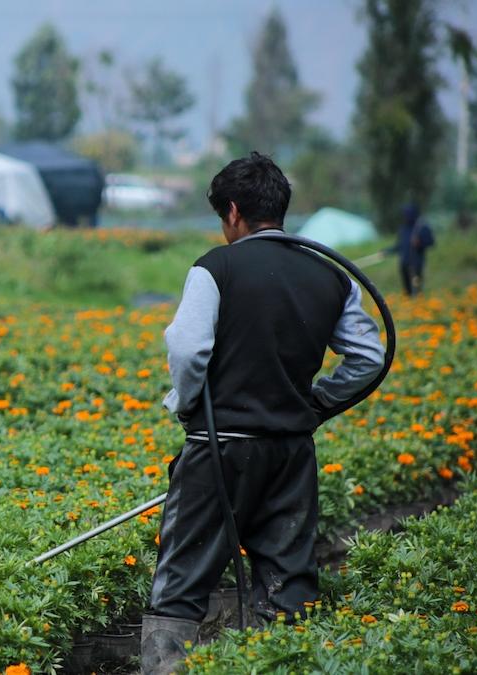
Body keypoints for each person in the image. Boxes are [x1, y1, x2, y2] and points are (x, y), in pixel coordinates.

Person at [141, 153, 386, 675]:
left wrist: (187, 406)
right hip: (291, 453)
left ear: (232, 212)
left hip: (219, 449)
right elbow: (369, 358)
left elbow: (187, 351)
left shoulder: (216, 267)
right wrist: (316, 403)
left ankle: (165, 667)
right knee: (288, 583)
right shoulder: (330, 274)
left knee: (182, 579)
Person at [394, 203, 435, 296]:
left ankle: (417, 305)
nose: (405, 216)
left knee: (416, 288)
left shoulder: (421, 227)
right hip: (404, 264)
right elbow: (399, 245)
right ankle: (408, 306)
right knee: (406, 290)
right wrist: (386, 251)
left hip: (416, 264)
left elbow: (431, 242)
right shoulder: (403, 228)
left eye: (407, 214)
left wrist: (420, 243)